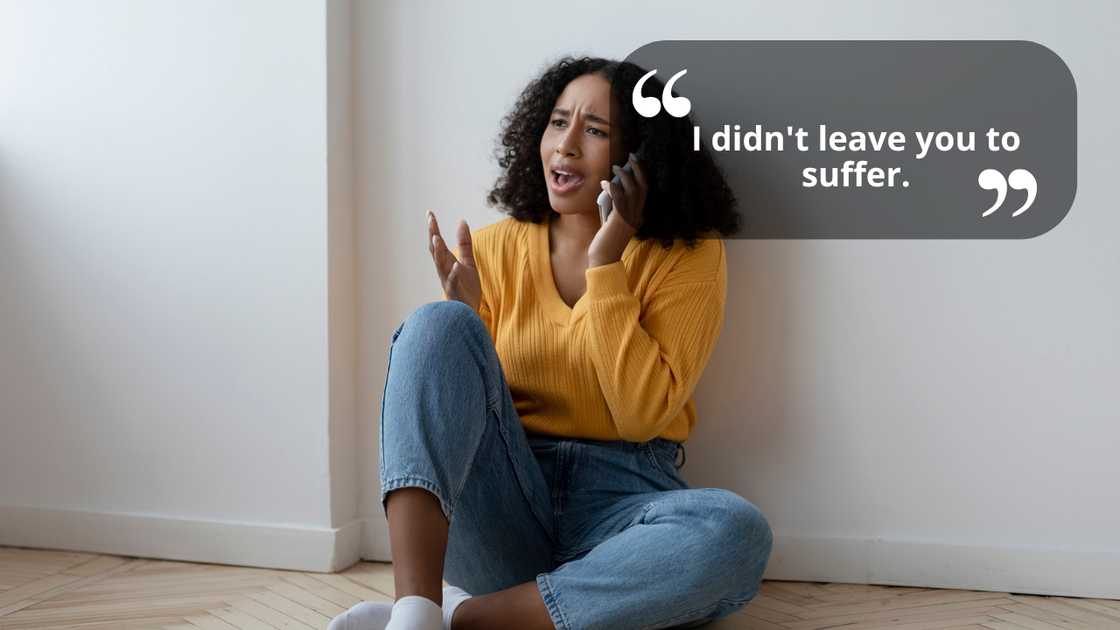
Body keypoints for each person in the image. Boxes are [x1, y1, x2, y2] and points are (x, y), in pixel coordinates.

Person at [329, 55, 772, 630]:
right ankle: (414, 609)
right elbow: (466, 419)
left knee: (734, 531)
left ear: (641, 157)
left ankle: (457, 618)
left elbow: (639, 416)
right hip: (504, 506)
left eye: (595, 131)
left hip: (624, 511)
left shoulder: (686, 254)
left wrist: (605, 263)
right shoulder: (492, 249)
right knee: (436, 327)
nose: (566, 145)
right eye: (558, 122)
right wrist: (467, 325)